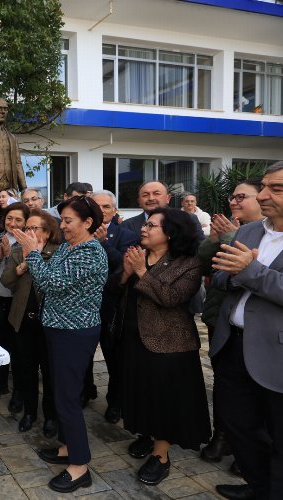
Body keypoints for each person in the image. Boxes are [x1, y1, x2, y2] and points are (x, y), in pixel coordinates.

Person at [11, 195, 108, 494]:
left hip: (75, 333)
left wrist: (32, 254)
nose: (62, 226)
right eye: (62, 220)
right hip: (56, 328)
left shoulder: (90, 253)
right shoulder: (69, 246)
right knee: (59, 390)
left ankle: (80, 467)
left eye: (68, 221)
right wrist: (38, 256)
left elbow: (51, 282)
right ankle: (67, 447)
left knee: (67, 398)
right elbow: (46, 282)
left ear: (88, 222)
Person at [112, 207, 209, 486]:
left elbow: (170, 298)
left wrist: (141, 272)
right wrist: (125, 274)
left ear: (170, 232)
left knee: (163, 399)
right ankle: (148, 434)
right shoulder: (136, 254)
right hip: (133, 338)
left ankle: (161, 455)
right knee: (141, 392)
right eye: (145, 224)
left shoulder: (188, 262)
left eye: (151, 225)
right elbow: (114, 290)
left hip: (169, 343)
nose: (144, 228)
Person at [210, 162, 283, 500]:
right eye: (265, 187)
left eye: (277, 189)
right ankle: (258, 487)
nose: (265, 195)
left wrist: (251, 271)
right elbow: (222, 277)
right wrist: (238, 272)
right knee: (239, 425)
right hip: (232, 347)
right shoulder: (250, 230)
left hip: (275, 354)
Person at [197, 180, 264, 469]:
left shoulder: (269, 233)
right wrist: (215, 239)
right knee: (225, 382)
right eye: (232, 197)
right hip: (221, 317)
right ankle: (222, 435)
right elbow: (205, 268)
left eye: (242, 197)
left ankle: (249, 448)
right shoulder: (234, 230)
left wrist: (230, 237)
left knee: (258, 387)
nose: (234, 202)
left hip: (261, 327)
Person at [1, 209, 60, 435]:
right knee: (25, 370)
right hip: (22, 320)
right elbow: (6, 281)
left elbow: (55, 284)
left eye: (34, 228)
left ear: (47, 232)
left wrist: (36, 258)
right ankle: (29, 413)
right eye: (27, 228)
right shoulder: (18, 252)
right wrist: (23, 265)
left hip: (50, 324)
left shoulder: (58, 252)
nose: (29, 232)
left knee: (50, 371)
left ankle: (51, 417)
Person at [82, 190, 139, 418]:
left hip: (111, 308)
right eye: (97, 206)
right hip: (83, 308)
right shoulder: (78, 233)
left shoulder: (126, 235)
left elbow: (122, 267)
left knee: (114, 358)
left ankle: (115, 401)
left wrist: (104, 243)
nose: (102, 211)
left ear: (114, 211)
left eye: (107, 207)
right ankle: (85, 391)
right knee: (83, 357)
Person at [0, 202, 29, 413]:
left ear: (26, 221)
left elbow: (23, 272)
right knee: (0, 345)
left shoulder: (28, 242)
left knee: (19, 348)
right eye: (9, 218)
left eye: (18, 219)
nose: (13, 223)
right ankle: (0, 383)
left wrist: (9, 256)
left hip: (17, 301)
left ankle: (19, 390)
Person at [121, 181, 204, 241]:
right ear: (139, 201)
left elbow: (199, 249)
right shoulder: (127, 225)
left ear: (168, 198)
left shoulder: (188, 219)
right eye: (145, 195)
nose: (151, 198)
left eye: (156, 194)